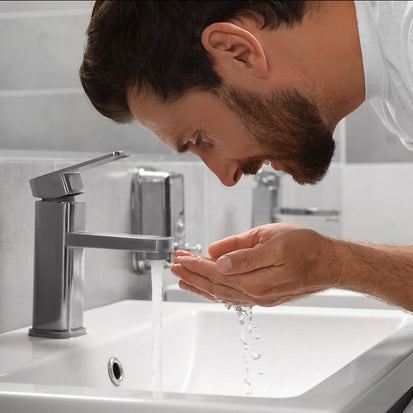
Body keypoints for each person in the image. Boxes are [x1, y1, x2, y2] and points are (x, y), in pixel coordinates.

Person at [79, 1, 413, 311]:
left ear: (236, 51)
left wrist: (334, 264)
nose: (227, 177)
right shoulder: (394, 82)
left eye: (200, 138)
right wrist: (330, 262)